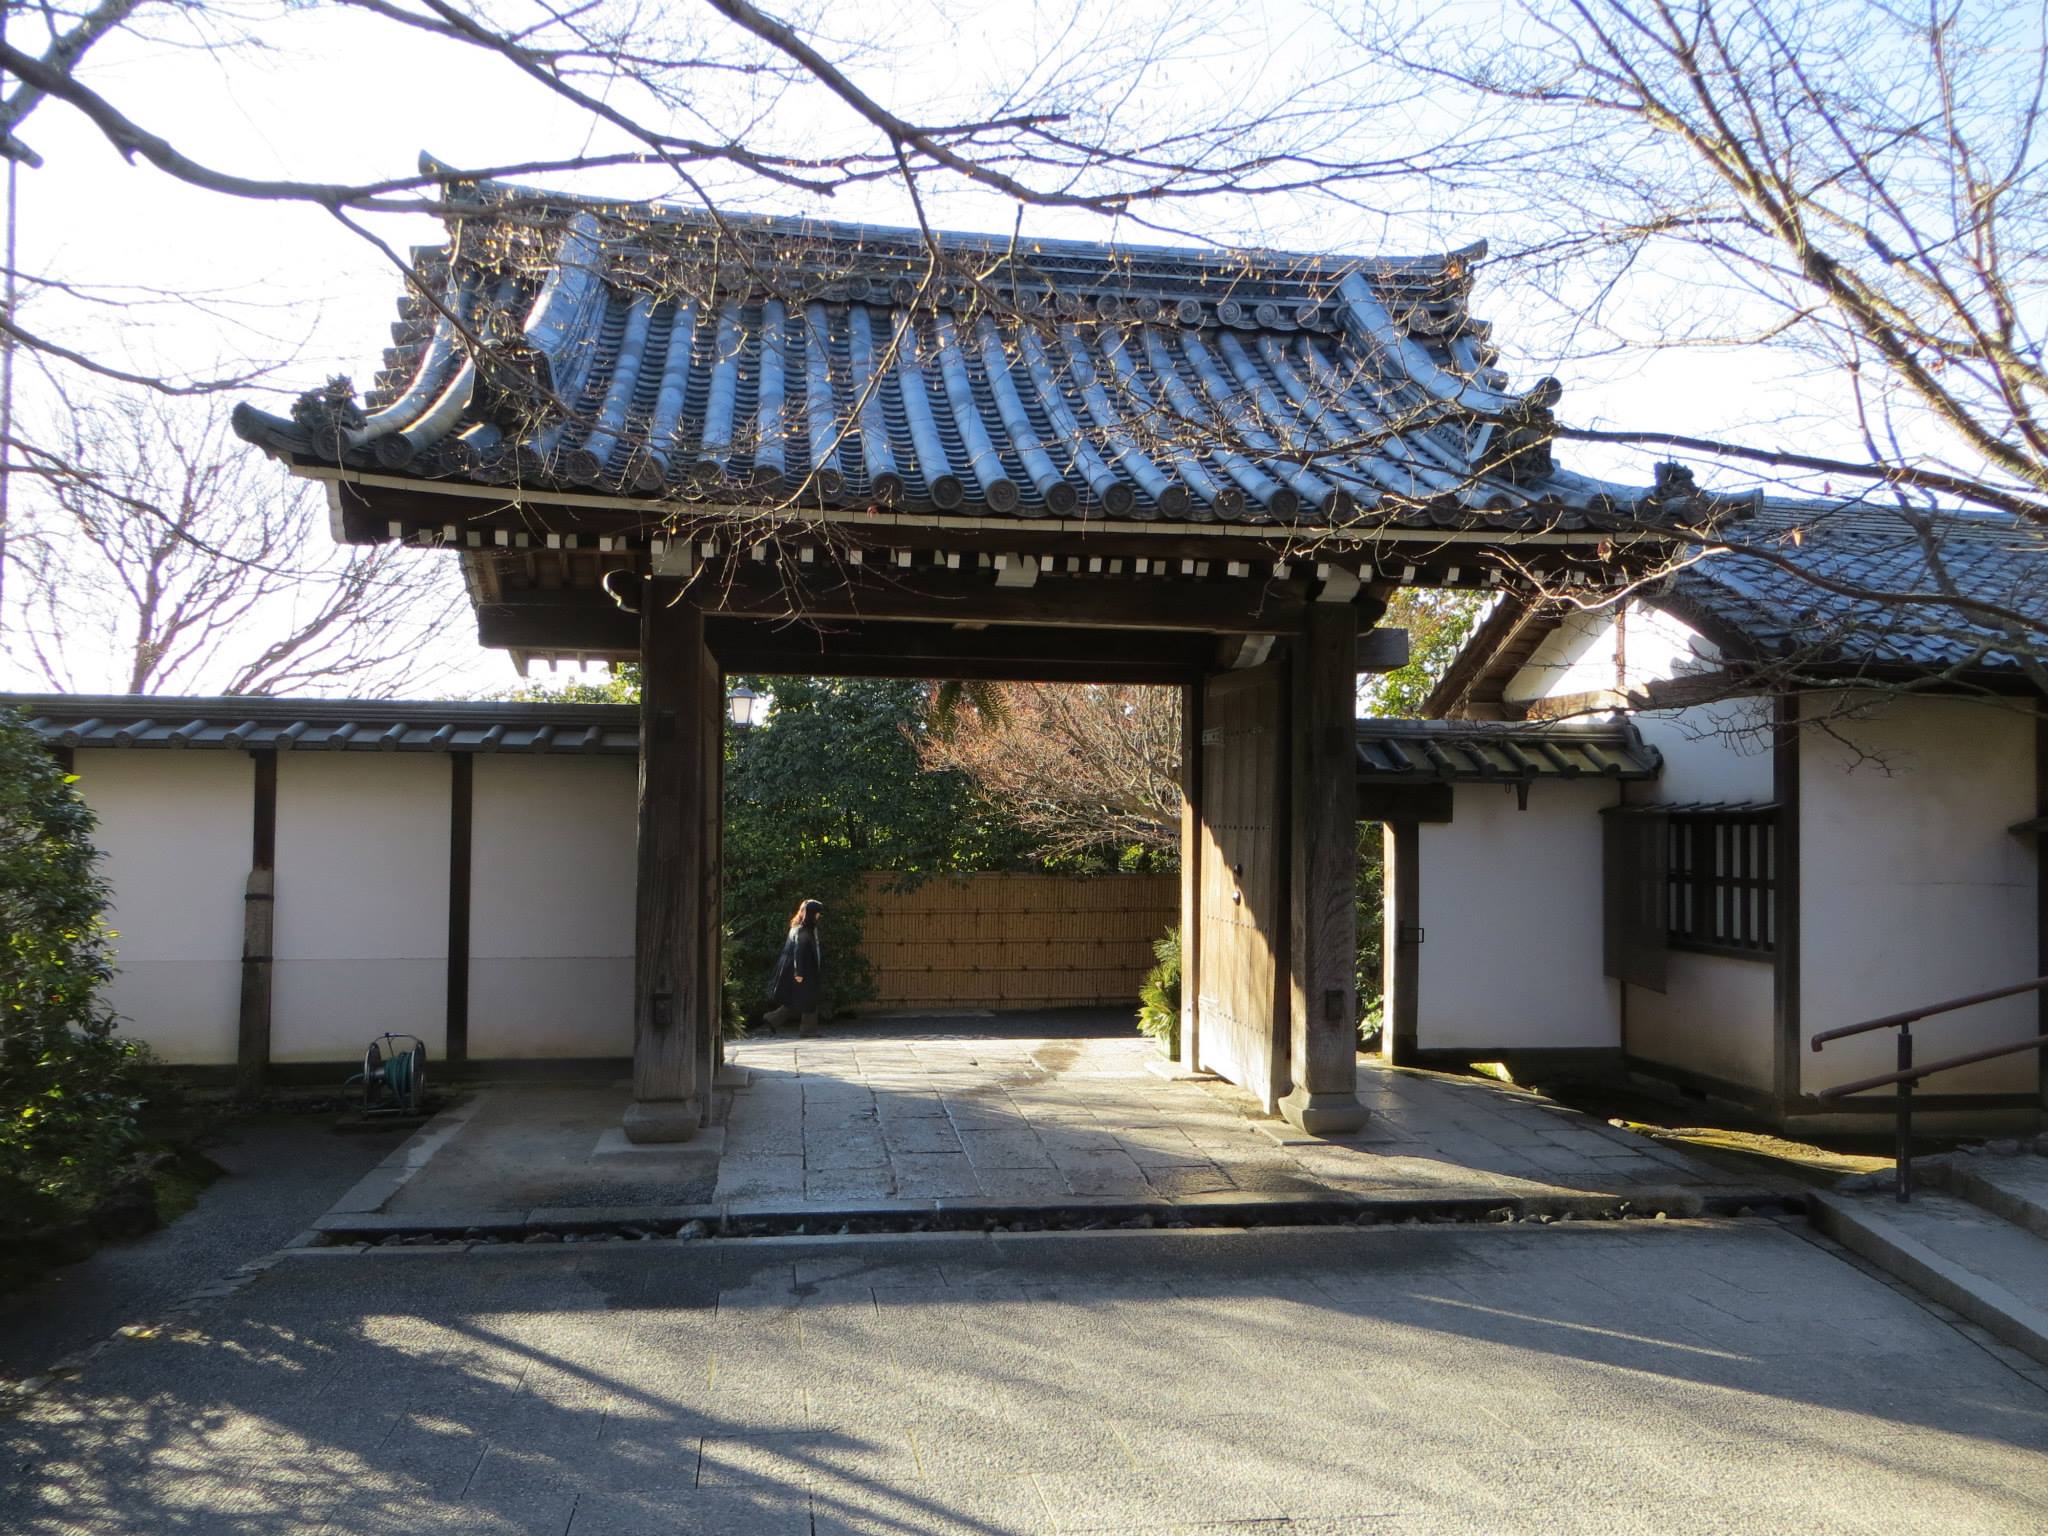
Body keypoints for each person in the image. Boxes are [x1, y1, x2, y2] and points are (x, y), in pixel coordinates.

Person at [764, 899, 825, 1037]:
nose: (818, 916)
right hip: (804, 971)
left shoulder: (799, 927)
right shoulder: (803, 930)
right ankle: (808, 1030)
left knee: (798, 999)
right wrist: (799, 972)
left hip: (801, 970)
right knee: (809, 998)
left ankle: (772, 1019)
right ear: (810, 913)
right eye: (816, 913)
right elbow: (799, 950)